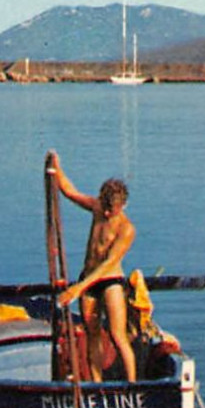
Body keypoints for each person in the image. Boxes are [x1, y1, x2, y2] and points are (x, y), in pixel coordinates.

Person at [48, 151, 137, 382]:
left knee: (117, 335)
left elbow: (109, 264)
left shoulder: (126, 229)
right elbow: (69, 191)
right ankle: (96, 385)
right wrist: (56, 166)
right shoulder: (98, 207)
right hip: (88, 278)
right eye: (105, 208)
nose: (106, 214)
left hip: (110, 281)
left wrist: (78, 288)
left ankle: (133, 385)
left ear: (122, 206)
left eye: (112, 211)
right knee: (92, 334)